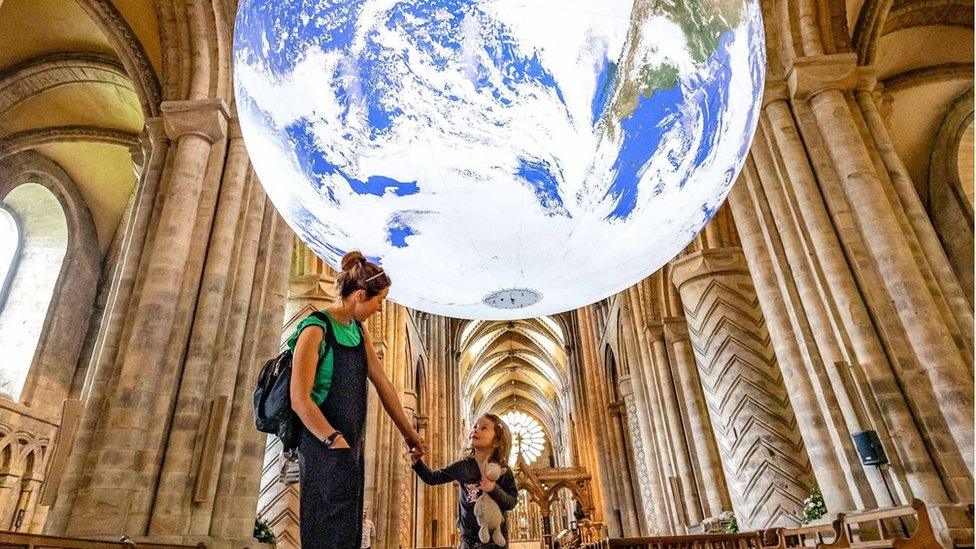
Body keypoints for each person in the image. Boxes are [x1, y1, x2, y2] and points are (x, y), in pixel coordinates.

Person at [290, 251, 427, 548]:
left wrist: (410, 434)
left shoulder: (358, 330)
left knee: (349, 533)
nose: (379, 310)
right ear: (361, 295)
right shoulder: (316, 328)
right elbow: (299, 399)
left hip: (350, 448)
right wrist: (332, 440)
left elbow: (382, 383)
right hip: (323, 448)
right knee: (325, 532)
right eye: (379, 302)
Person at [411, 413, 518, 548]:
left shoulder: (503, 470)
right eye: (475, 426)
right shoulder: (463, 467)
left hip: (495, 543)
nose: (476, 430)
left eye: (484, 428)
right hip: (468, 543)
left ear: (497, 442)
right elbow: (432, 478)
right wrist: (416, 460)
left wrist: (493, 489)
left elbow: (512, 502)